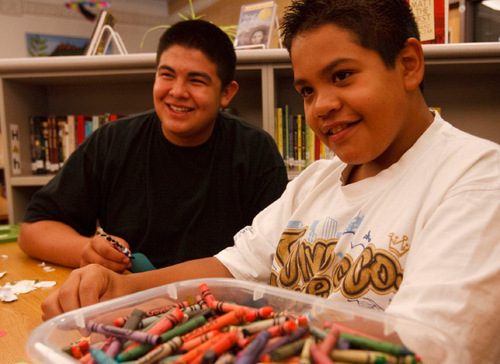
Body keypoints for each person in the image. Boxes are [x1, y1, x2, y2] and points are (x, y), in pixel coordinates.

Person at [41, 1, 500, 362]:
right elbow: (231, 267)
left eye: (342, 76)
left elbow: (423, 347)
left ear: (408, 64)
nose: (320, 107)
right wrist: (120, 289)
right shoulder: (314, 182)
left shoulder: (477, 181)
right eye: (306, 90)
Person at [18, 19, 288, 272]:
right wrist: (86, 250)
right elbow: (33, 230)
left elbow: (274, 256)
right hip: (126, 301)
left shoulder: (256, 152)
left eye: (196, 81)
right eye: (167, 75)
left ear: (226, 93)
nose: (177, 91)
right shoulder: (112, 142)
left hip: (218, 304)